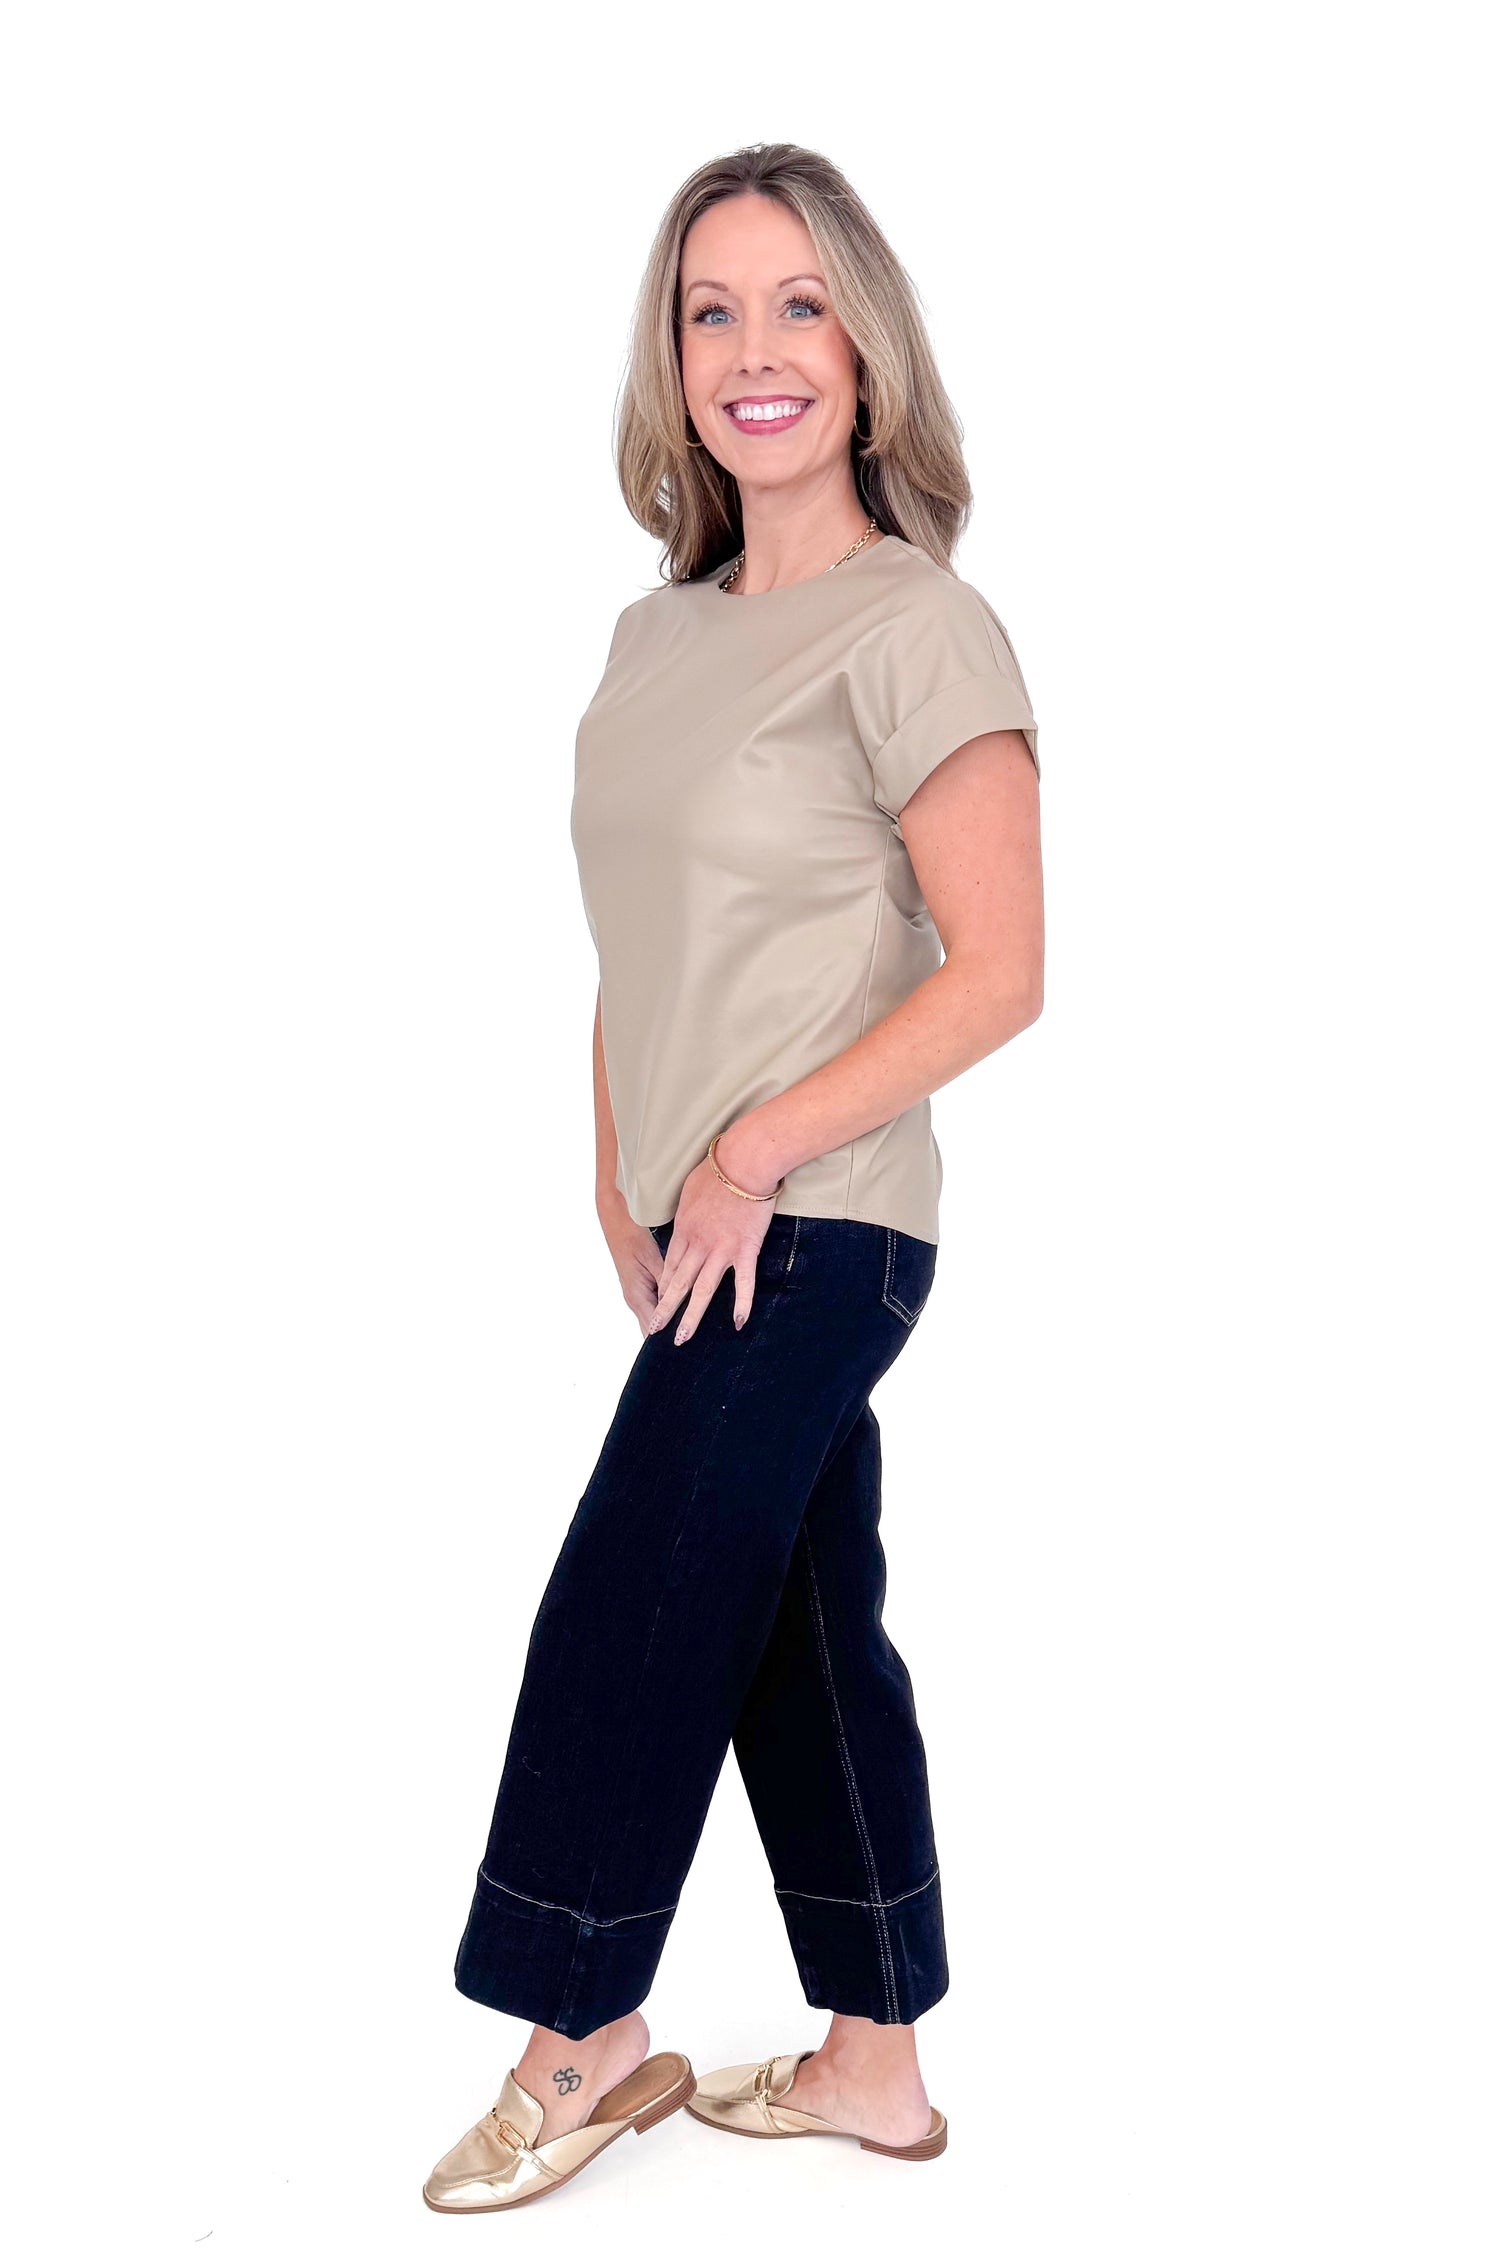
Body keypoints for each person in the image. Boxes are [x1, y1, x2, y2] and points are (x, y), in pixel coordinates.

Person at [422, 140, 1044, 2216]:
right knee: (792, 1610)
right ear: (669, 358)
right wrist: (620, 1167)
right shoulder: (651, 639)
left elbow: (1007, 972)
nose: (755, 351)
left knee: (633, 1587)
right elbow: (641, 939)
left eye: (798, 306)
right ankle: (878, 2061)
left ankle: (579, 2034)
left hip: (832, 1213)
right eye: (712, 309)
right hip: (702, 1218)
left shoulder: (919, 630)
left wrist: (759, 1146)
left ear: (866, 349)